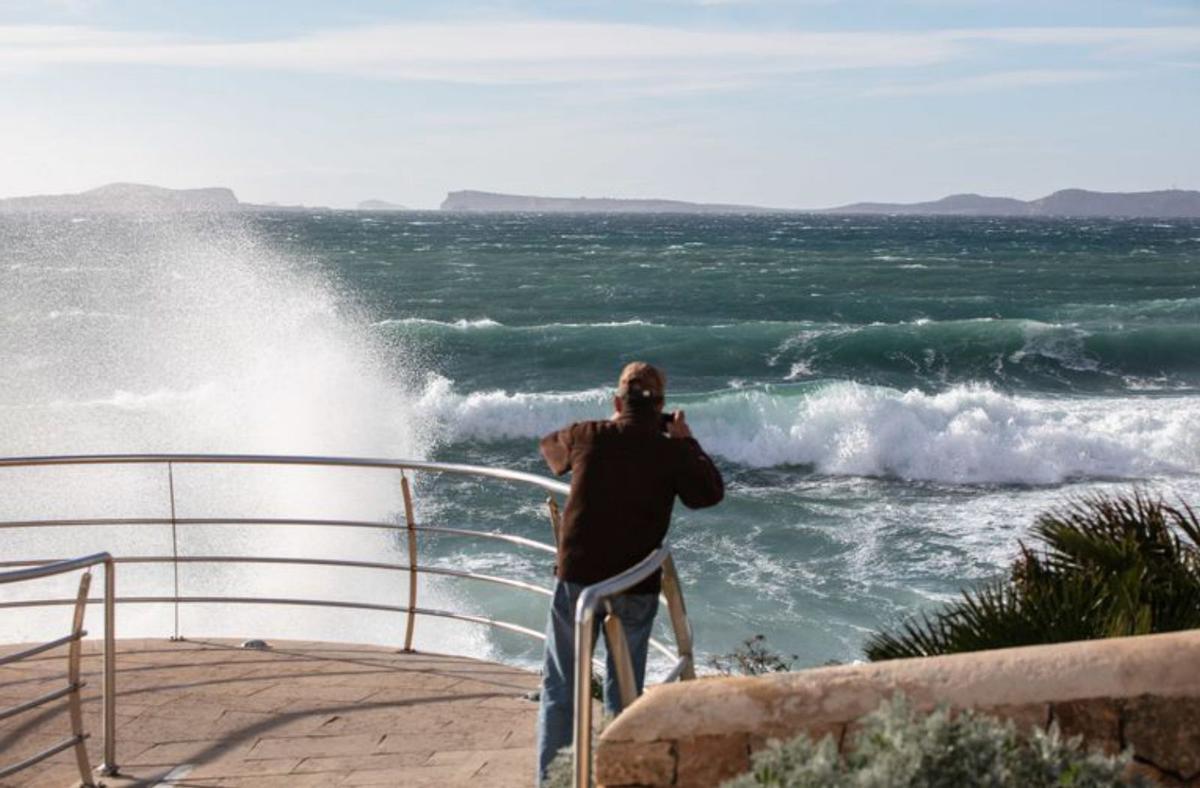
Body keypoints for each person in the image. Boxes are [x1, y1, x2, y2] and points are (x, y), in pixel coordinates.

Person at [535, 361, 724, 783]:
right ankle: (618, 778)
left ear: (617, 400)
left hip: (577, 579)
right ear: (662, 407)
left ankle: (552, 782)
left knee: (562, 687)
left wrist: (608, 427)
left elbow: (550, 451)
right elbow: (709, 493)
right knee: (625, 690)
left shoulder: (589, 434)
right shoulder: (671, 450)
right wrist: (685, 441)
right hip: (635, 583)